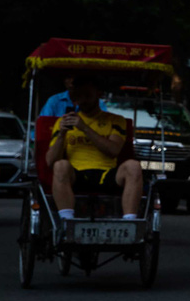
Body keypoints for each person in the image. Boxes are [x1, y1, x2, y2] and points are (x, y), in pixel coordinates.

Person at [45, 76, 143, 222]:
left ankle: (129, 221)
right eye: (79, 96)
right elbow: (50, 161)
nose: (83, 100)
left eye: (88, 95)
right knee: (60, 165)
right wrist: (62, 134)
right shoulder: (63, 121)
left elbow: (113, 150)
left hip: (107, 173)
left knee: (133, 166)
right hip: (76, 174)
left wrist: (84, 127)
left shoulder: (116, 120)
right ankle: (66, 221)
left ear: (98, 94)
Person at [40, 75, 108, 116]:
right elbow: (42, 125)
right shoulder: (54, 101)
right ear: (64, 81)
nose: (72, 82)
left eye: (75, 79)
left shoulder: (97, 102)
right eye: (69, 77)